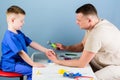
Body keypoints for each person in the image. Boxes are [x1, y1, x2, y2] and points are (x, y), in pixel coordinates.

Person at [46, 3, 120, 80]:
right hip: (104, 62)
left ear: (89, 20)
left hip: (116, 67)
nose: (76, 22)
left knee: (90, 78)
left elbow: (81, 64)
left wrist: (57, 61)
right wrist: (65, 47)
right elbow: (82, 45)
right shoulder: (95, 24)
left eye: (79, 20)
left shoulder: (96, 34)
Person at [0, 5, 55, 80]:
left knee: (36, 68)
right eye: (21, 21)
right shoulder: (10, 37)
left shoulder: (18, 33)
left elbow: (31, 42)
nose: (23, 23)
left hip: (19, 62)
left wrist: (45, 50)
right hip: (10, 64)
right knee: (32, 71)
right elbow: (21, 53)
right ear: (12, 20)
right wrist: (33, 64)